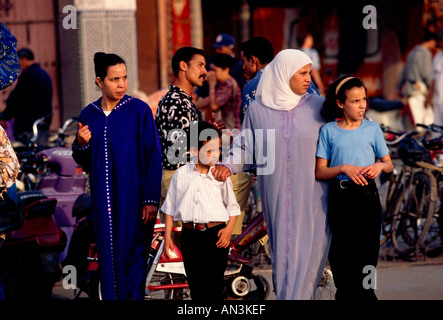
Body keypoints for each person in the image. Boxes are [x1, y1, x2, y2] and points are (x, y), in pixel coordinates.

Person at [212, 49, 330, 300]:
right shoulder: (258, 109)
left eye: (309, 72)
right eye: (303, 73)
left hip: (313, 193)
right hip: (275, 193)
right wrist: (229, 166)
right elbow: (245, 145)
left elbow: (338, 139)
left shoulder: (319, 107)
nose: (309, 79)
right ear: (284, 73)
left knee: (309, 253)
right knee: (284, 253)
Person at [72, 52, 162, 300]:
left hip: (135, 203)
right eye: (114, 79)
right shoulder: (88, 114)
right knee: (109, 264)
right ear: (100, 81)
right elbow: (82, 158)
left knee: (133, 261)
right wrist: (81, 144)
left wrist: (151, 200)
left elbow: (153, 156)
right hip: (103, 206)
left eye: (124, 78)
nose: (122, 84)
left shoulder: (139, 111)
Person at [315, 76, 394, 300]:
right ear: (340, 103)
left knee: (368, 259)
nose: (362, 106)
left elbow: (388, 164)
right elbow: (320, 171)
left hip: (368, 198)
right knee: (342, 259)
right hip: (340, 199)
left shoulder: (372, 128)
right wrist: (343, 168)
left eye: (364, 99)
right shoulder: (329, 131)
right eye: (355, 101)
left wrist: (379, 165)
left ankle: (368, 294)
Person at [161, 121, 240, 301]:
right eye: (209, 150)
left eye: (218, 149)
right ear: (194, 150)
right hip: (189, 237)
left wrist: (228, 231)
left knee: (214, 288)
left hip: (216, 237)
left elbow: (233, 208)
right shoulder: (181, 175)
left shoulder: (220, 176)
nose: (215, 155)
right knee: (197, 289)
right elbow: (170, 209)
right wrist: (167, 239)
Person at [1, 48, 52, 145]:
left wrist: (4, 116)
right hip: (43, 124)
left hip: (28, 127)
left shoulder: (27, 75)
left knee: (27, 154)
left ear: (23, 59)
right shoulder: (44, 74)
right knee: (41, 153)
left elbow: (16, 99)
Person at [397, 29, 439, 128]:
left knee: (411, 122)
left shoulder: (412, 52)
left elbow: (403, 73)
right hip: (419, 91)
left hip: (409, 91)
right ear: (432, 41)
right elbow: (427, 75)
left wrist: (399, 87)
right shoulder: (425, 54)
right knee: (423, 123)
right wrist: (432, 90)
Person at [194, 53, 242, 130]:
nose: (211, 73)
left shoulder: (229, 84)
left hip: (231, 130)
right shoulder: (223, 84)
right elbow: (209, 100)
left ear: (226, 70)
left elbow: (214, 106)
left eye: (214, 70)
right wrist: (192, 106)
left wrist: (211, 85)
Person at [239, 36, 275, 118]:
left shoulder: (252, 86)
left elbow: (249, 123)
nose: (243, 67)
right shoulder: (291, 79)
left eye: (244, 61)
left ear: (252, 60)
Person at [428, 30, 443, 126]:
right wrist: (428, 96)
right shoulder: (438, 56)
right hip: (438, 100)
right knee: (437, 129)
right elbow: (434, 78)